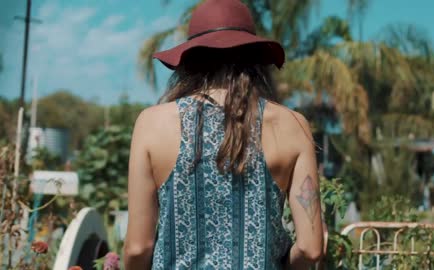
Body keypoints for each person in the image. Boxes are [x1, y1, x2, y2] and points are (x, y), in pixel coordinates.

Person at [123, 0, 324, 269]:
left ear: (190, 60)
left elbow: (138, 248)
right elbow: (311, 249)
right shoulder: (292, 125)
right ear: (255, 59)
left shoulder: (152, 123)